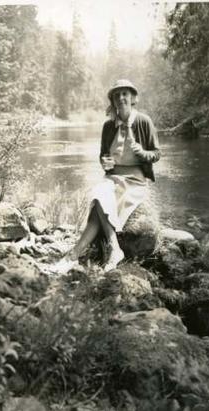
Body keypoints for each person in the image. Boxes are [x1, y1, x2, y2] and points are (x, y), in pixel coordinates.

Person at [52, 79, 161, 274]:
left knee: (97, 210)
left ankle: (73, 255)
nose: (121, 98)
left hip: (135, 180)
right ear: (113, 100)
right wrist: (105, 162)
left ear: (133, 98)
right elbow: (103, 155)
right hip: (113, 178)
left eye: (125, 94)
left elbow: (156, 154)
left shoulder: (144, 121)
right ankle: (113, 249)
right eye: (117, 95)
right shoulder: (108, 126)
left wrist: (142, 153)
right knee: (100, 192)